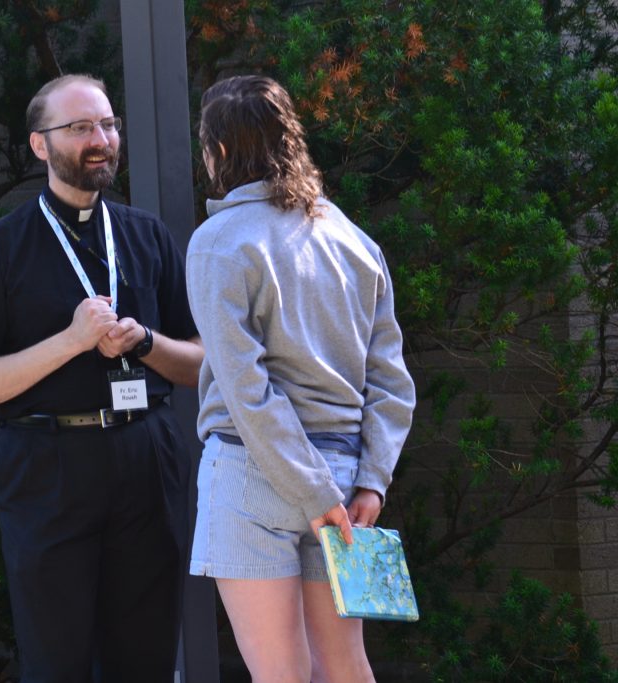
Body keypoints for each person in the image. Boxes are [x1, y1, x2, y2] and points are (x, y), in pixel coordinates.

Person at [0, 73, 203, 682]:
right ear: (41, 145)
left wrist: (143, 342)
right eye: (81, 127)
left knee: (144, 657)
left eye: (109, 124)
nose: (102, 139)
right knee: (56, 660)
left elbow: (199, 364)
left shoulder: (147, 236)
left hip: (145, 458)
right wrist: (70, 342)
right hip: (47, 467)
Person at [185, 74, 416, 683]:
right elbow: (391, 381)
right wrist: (372, 481)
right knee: (344, 666)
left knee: (280, 674)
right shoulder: (351, 239)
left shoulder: (218, 243)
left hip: (253, 472)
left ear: (222, 151)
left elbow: (247, 392)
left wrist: (312, 493)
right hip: (344, 485)